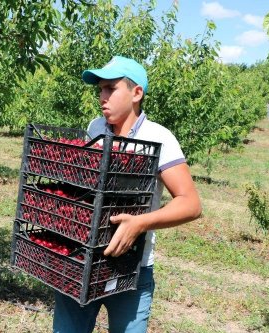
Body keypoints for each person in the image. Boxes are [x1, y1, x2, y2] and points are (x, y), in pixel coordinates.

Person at [53, 56, 202, 332]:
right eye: (100, 90)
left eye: (111, 88)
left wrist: (139, 223)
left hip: (131, 271)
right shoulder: (95, 128)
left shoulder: (159, 138)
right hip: (83, 258)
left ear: (136, 93)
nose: (102, 97)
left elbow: (191, 203)